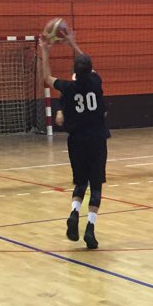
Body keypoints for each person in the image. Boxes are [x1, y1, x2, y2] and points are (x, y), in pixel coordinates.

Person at [37, 25, 107, 250]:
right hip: (97, 139)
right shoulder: (96, 82)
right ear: (90, 70)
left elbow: (47, 77)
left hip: (76, 141)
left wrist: (45, 50)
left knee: (80, 182)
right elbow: (88, 65)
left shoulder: (67, 87)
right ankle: (90, 228)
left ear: (74, 72)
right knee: (96, 186)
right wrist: (72, 43)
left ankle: (74, 213)